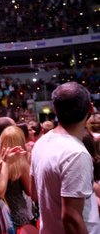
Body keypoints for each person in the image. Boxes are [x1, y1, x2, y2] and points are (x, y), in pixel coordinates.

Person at [31, 82, 100, 233]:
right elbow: (71, 218)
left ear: (55, 110)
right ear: (90, 108)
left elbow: (35, 194)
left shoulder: (41, 143)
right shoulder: (76, 154)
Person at [0, 126, 32, 229]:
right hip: (18, 212)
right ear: (21, 141)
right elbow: (30, 191)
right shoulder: (22, 164)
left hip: (2, 215)